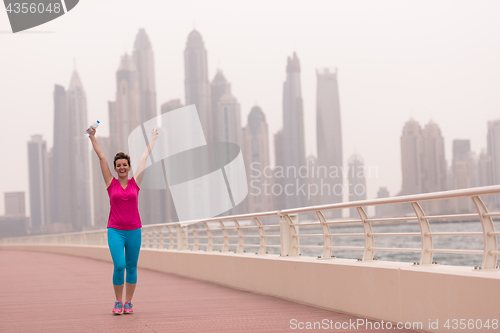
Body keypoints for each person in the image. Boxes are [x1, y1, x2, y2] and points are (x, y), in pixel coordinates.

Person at [88, 127, 158, 315]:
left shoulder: (136, 183)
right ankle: (118, 302)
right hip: (115, 231)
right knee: (119, 265)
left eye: (124, 165)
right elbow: (102, 157)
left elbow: (144, 158)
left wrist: (153, 138)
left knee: (132, 267)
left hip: (134, 230)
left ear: (128, 166)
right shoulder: (111, 183)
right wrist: (92, 137)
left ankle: (128, 302)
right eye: (118, 165)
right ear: (115, 168)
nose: (121, 167)